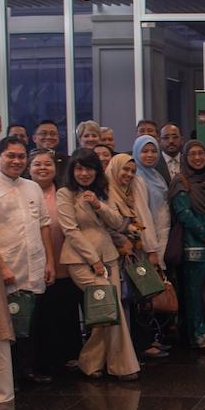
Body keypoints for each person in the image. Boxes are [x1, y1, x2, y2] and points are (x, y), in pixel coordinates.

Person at [0, 137, 56, 400]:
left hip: (35, 262)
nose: (17, 161)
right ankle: (10, 377)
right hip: (5, 265)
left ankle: (28, 370)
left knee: (33, 320)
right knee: (8, 322)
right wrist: (2, 267)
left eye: (21, 157)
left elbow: (44, 225)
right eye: (11, 156)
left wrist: (50, 261)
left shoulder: (32, 187)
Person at [57, 148, 141, 380]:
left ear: (97, 171)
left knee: (106, 312)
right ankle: (123, 366)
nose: (84, 174)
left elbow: (117, 222)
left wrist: (98, 204)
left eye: (89, 168)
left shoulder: (102, 192)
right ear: (72, 170)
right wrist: (93, 260)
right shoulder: (65, 194)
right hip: (81, 259)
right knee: (111, 309)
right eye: (79, 168)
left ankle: (90, 362)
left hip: (109, 256)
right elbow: (70, 230)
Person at [107, 152, 169, 360]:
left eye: (132, 171)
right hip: (115, 255)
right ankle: (124, 350)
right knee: (122, 301)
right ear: (114, 169)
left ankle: (141, 343)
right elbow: (108, 225)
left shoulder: (132, 190)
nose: (129, 174)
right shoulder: (107, 193)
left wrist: (150, 250)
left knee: (139, 299)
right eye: (124, 169)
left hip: (135, 253)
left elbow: (143, 218)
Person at [27, 148, 84, 370]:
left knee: (65, 307)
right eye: (37, 164)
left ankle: (69, 354)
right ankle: (43, 360)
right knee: (42, 312)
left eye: (47, 164)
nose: (43, 168)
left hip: (65, 258)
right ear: (29, 169)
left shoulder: (65, 192)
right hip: (35, 261)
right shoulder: (25, 193)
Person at [170, 140, 205, 352]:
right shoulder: (180, 182)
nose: (197, 158)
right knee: (195, 294)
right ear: (185, 157)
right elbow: (185, 215)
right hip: (194, 247)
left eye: (200, 153)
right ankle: (199, 335)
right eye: (192, 154)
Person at [133, 135, 171, 267]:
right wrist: (151, 249)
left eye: (154, 151)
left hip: (162, 233)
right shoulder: (137, 178)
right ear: (136, 152)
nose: (150, 155)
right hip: (148, 241)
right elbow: (142, 215)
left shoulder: (156, 174)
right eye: (144, 151)